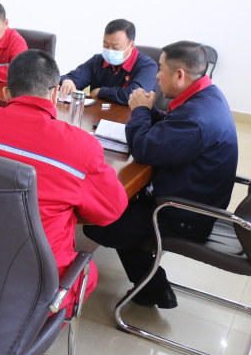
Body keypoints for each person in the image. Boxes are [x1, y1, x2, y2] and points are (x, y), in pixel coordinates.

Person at [0, 49, 127, 355]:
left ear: (6, 91)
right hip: (37, 275)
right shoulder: (80, 145)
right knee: (87, 273)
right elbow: (110, 211)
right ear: (54, 94)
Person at [84, 42, 237, 309]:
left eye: (161, 69)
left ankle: (154, 288)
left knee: (100, 222)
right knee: (118, 205)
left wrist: (140, 111)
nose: (156, 76)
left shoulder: (196, 118)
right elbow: (171, 125)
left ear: (180, 75)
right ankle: (152, 288)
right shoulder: (206, 94)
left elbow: (144, 149)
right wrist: (150, 111)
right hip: (193, 193)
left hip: (184, 213)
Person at [60, 19, 157, 105]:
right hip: (97, 114)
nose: (110, 51)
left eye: (116, 47)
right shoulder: (98, 61)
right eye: (106, 46)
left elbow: (134, 95)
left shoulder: (147, 66)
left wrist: (101, 92)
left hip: (131, 117)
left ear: (131, 46)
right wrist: (67, 81)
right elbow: (73, 78)